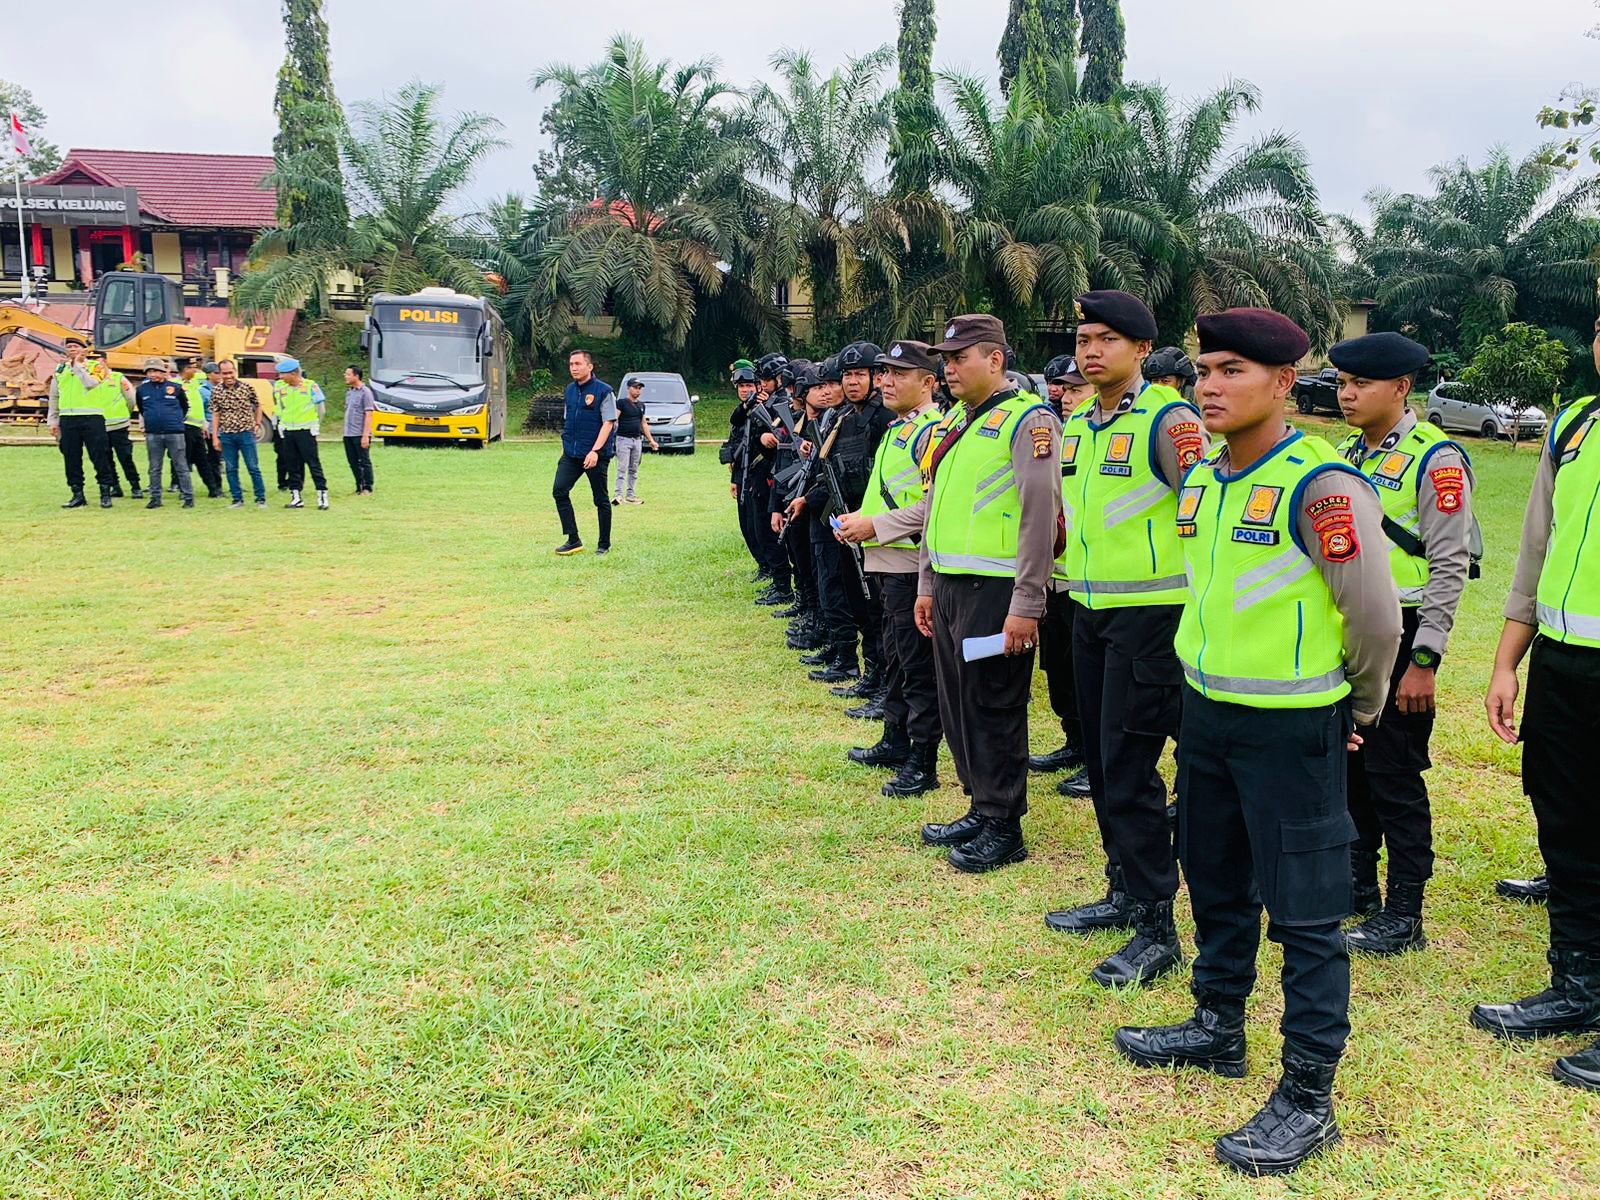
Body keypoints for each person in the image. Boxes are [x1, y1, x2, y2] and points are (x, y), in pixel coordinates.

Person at [1113, 309, 1401, 1177]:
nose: (1209, 385)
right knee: (1217, 878)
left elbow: (1376, 620)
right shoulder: (1202, 478)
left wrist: (1355, 711)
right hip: (1208, 716)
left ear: (1283, 382)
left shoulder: (1322, 486)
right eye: (1204, 369)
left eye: (1232, 370)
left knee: (1308, 915)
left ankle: (1309, 1095)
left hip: (1293, 727)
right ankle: (1216, 1025)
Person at [1043, 291, 1208, 990]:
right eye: (1084, 338)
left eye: (1107, 338)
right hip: (1089, 611)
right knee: (1105, 766)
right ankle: (1122, 888)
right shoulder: (1080, 423)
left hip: (1152, 617)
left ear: (1143, 349)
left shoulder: (1169, 421)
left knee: (1130, 767)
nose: (1090, 350)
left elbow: (1202, 511)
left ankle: (1155, 926)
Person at [1476, 320, 1600, 1093]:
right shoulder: (1575, 426)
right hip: (1564, 665)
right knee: (1567, 820)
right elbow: (1536, 550)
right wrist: (1506, 662)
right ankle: (1578, 985)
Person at [1332, 332, 1475, 955]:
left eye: (1360, 384)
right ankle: (1358, 881)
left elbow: (1449, 564)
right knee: (1351, 764)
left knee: (1395, 774)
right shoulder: (1347, 455)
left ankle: (1405, 910)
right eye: (1341, 383)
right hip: (1351, 634)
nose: (1347, 393)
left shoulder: (1435, 459)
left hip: (1406, 633)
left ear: (1401, 388)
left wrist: (1426, 660)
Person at [915, 314, 1061, 873]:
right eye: (946, 359)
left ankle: (1004, 823)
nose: (948, 368)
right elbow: (936, 510)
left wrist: (1027, 602)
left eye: (959, 358)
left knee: (993, 704)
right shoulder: (958, 422)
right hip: (952, 585)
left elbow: (1040, 515)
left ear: (995, 360)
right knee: (957, 703)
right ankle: (980, 803)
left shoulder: (1028, 421)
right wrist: (928, 582)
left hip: (997, 590)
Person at [835, 340, 947, 796]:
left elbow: (932, 508)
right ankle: (895, 738)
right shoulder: (899, 428)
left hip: (910, 566)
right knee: (897, 659)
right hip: (887, 563)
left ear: (928, 383)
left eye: (899, 375)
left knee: (918, 668)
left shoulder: (932, 431)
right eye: (884, 373)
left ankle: (923, 759)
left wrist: (874, 526)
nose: (885, 381)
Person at [1031, 355, 1095, 798]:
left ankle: (1094, 756)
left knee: (1087, 675)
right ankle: (1074, 741)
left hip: (1088, 581)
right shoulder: (1065, 435)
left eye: (1076, 389)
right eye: (1064, 390)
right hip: (1055, 574)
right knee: (1058, 667)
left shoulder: (1099, 436)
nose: (1066, 397)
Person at [553, 348, 616, 556]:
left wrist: (595, 451)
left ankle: (604, 544)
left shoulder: (603, 391)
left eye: (578, 364)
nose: (574, 368)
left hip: (595, 455)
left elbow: (608, 423)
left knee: (600, 499)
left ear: (590, 366)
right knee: (559, 490)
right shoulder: (569, 390)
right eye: (571, 364)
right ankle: (573, 539)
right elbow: (568, 420)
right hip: (571, 454)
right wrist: (565, 449)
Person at [46, 335, 118, 509]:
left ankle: (105, 492)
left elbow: (90, 383)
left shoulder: (96, 366)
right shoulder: (60, 369)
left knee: (99, 455)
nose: (72, 349)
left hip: (91, 417)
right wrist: (53, 420)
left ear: (85, 350)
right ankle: (77, 493)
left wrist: (78, 366)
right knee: (71, 457)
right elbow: (54, 396)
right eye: (69, 346)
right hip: (68, 419)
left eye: (76, 347)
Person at [271, 358, 330, 510]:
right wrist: (278, 423)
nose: (280, 377)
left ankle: (322, 496)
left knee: (313, 463)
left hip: (306, 430)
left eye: (283, 374)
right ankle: (296, 496)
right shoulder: (279, 386)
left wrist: (316, 424)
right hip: (288, 430)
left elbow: (321, 408)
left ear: (293, 373)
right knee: (291, 464)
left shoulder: (311, 386)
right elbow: (279, 406)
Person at [136, 357, 194, 509]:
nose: (153, 374)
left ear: (164, 372)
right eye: (149, 371)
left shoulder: (175, 387)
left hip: (175, 433)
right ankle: (155, 498)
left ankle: (188, 497)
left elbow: (185, 407)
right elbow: (142, 408)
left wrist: (174, 421)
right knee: (154, 468)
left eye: (156, 371)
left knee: (181, 466)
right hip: (153, 433)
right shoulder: (142, 390)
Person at [210, 358, 267, 508]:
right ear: (220, 374)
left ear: (235, 371)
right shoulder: (216, 391)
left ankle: (260, 498)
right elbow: (215, 415)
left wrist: (257, 424)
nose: (228, 376)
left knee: (253, 467)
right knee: (230, 468)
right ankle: (237, 499)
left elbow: (258, 405)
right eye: (224, 373)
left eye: (230, 372)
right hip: (227, 434)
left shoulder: (247, 387)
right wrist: (215, 436)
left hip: (246, 433)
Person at [91, 352, 142, 500]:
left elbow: (131, 399)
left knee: (125, 457)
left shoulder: (118, 378)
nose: (97, 366)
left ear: (106, 361)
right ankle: (115, 486)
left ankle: (135, 486)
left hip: (118, 426)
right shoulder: (91, 381)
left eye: (99, 362)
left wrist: (126, 414)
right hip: (99, 426)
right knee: (105, 460)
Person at [178, 357, 223, 499]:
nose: (195, 370)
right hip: (184, 427)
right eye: (192, 367)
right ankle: (183, 490)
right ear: (185, 369)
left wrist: (203, 423)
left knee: (202, 460)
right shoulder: (176, 385)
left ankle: (213, 489)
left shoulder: (194, 384)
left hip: (197, 427)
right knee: (185, 460)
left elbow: (198, 406)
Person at [612, 376, 658, 505]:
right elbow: (615, 420)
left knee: (634, 469)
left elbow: (643, 423)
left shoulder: (641, 405)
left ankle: (630, 495)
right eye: (635, 388)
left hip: (637, 440)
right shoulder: (621, 403)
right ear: (629, 388)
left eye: (639, 388)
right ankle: (618, 495)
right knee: (622, 468)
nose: (637, 391)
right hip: (623, 439)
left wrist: (651, 440)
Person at [342, 364, 377, 496]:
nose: (346, 376)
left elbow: (368, 415)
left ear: (356, 376)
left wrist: (365, 435)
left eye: (348, 374)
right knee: (352, 462)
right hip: (348, 433)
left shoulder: (366, 392)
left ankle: (367, 487)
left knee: (364, 461)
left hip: (360, 433)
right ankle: (359, 485)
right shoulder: (349, 392)